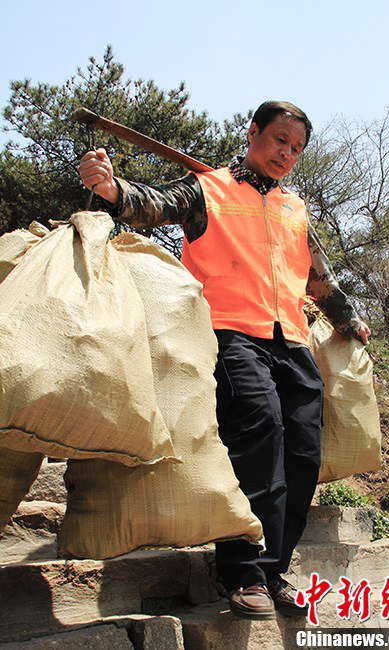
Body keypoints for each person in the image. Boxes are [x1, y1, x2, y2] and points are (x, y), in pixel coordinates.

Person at [79, 100, 370, 621]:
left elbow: (319, 279)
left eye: (297, 148)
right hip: (232, 336)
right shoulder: (207, 188)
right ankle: (242, 573)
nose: (287, 154)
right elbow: (154, 204)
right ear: (253, 132)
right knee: (260, 436)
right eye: (280, 140)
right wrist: (112, 190)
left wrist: (347, 321)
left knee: (303, 453)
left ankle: (274, 569)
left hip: (292, 342)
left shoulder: (295, 209)